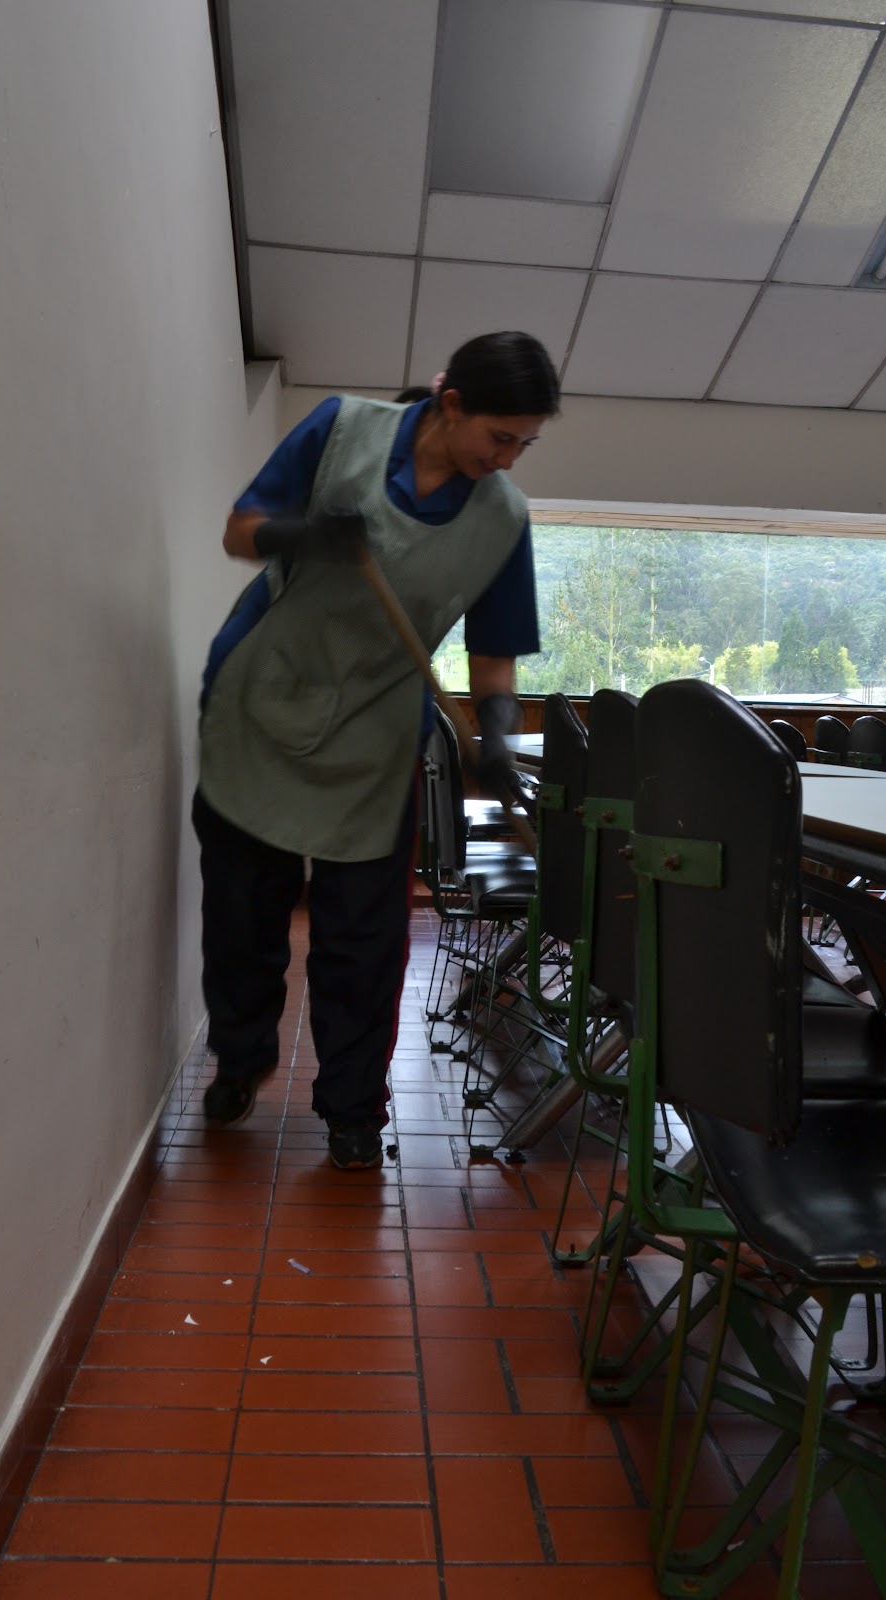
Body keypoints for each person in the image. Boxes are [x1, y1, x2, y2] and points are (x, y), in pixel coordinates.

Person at [194, 330, 560, 1168]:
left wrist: (499, 733)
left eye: (524, 444)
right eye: (498, 436)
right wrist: (305, 534)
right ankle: (241, 1059)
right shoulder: (340, 430)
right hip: (261, 703)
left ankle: (353, 1107)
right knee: (245, 914)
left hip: (375, 732)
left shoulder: (502, 517)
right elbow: (239, 532)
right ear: (450, 403)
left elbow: (493, 656)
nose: (506, 459)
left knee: (364, 940)